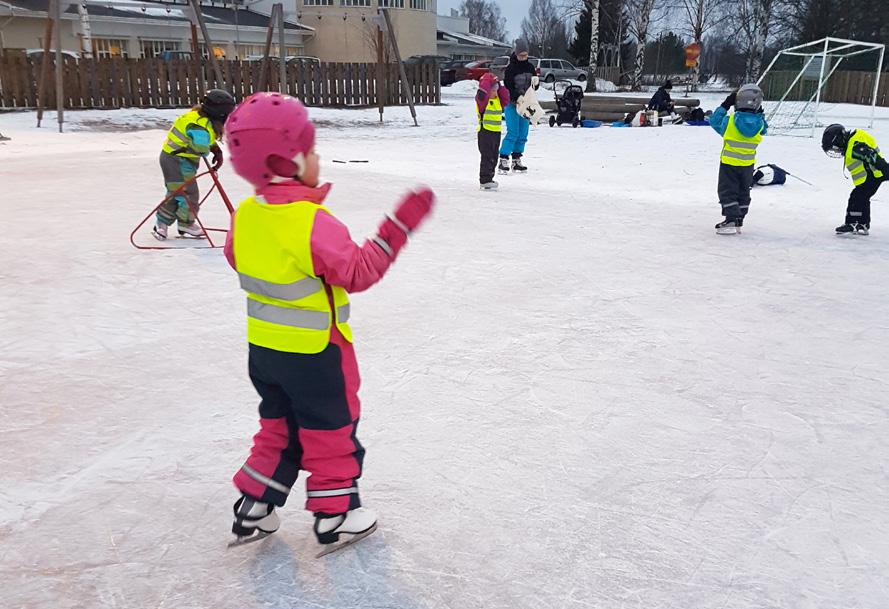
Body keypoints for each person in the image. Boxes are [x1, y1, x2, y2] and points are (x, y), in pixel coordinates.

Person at [222, 92, 435, 550]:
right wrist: (395, 229)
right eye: (311, 150)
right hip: (318, 353)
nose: (318, 158)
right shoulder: (312, 221)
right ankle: (336, 515)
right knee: (330, 429)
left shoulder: (246, 216)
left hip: (264, 351)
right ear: (286, 162)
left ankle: (254, 505)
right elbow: (358, 272)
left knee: (278, 426)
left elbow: (235, 257)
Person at [153, 89, 235, 241]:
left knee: (177, 193)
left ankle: (162, 223)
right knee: (188, 193)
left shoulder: (200, 118)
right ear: (220, 113)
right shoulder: (200, 125)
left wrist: (216, 150)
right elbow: (200, 148)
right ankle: (186, 223)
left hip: (180, 159)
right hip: (176, 161)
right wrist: (210, 149)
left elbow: (205, 140)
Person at [709, 84, 768, 234]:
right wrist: (760, 114)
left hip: (729, 163)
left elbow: (714, 121)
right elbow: (765, 128)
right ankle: (739, 218)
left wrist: (725, 105)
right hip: (748, 164)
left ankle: (730, 219)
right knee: (743, 191)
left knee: (727, 191)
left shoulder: (730, 121)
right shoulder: (759, 123)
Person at [821, 123, 887, 235]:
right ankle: (863, 223)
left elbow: (872, 156)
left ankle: (853, 223)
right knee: (862, 197)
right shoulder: (854, 141)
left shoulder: (855, 147)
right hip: (872, 176)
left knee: (856, 198)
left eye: (836, 148)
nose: (837, 152)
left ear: (839, 140)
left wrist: (885, 168)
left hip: (872, 176)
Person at [499, 39, 536, 174]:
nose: (523, 58)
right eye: (521, 55)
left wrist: (535, 83)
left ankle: (517, 159)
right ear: (516, 53)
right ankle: (503, 158)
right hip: (513, 104)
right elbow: (508, 85)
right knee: (513, 132)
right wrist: (516, 97)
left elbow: (533, 86)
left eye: (525, 55)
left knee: (523, 133)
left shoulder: (530, 67)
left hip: (526, 104)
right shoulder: (511, 68)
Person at [476, 72, 509, 191]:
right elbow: (482, 93)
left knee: (494, 156)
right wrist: (487, 80)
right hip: (485, 133)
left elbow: (505, 97)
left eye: (496, 90)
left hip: (496, 133)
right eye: (492, 90)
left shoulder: (498, 101)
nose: (494, 93)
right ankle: (484, 179)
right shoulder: (482, 102)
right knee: (487, 156)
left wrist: (498, 83)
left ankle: (490, 178)